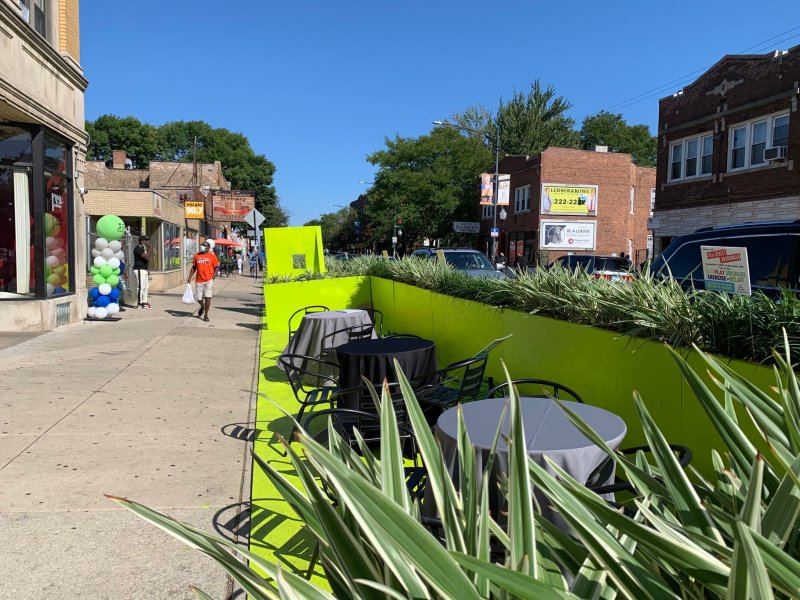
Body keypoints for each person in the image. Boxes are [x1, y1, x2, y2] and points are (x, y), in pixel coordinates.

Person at [187, 241, 219, 322]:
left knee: (208, 297)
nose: (202, 246)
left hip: (209, 280)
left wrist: (213, 278)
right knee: (199, 298)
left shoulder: (212, 256)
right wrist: (189, 277)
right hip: (199, 280)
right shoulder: (197, 255)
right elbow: (194, 267)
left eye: (204, 245)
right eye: (202, 245)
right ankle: (202, 306)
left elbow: (216, 267)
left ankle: (206, 315)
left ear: (208, 247)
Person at [133, 234, 151, 309]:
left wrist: (147, 269)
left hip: (144, 269)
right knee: (141, 287)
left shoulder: (143, 248)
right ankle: (140, 303)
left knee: (146, 286)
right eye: (146, 240)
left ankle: (145, 301)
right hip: (139, 269)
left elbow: (146, 260)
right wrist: (150, 248)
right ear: (142, 241)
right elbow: (146, 257)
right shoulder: (138, 248)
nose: (148, 242)